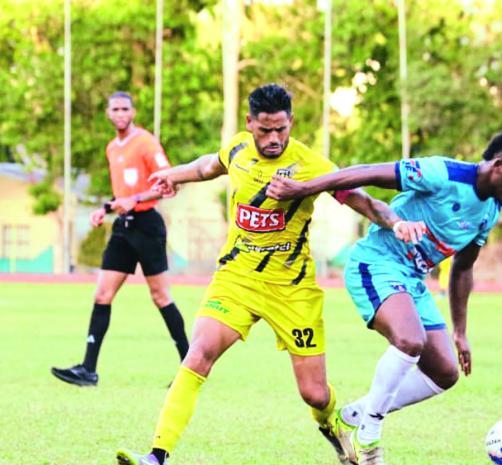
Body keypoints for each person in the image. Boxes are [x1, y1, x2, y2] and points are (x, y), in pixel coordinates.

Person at [115, 84, 419, 465]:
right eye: (264, 130)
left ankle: (334, 423)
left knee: (314, 394)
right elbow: (208, 166)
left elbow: (364, 201)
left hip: (292, 290)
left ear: (291, 122)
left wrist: (396, 223)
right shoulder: (239, 149)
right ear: (249, 123)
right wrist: (172, 175)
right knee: (199, 353)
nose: (273, 138)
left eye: (281, 129)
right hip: (237, 278)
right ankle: (156, 456)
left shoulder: (310, 165)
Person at [266, 129, 502, 464]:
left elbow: (463, 268)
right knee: (410, 340)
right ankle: (367, 438)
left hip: (411, 280)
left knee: (444, 372)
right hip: (377, 263)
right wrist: (304, 188)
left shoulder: (490, 211)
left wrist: (460, 331)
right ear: (498, 165)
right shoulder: (442, 173)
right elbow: (368, 172)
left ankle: (351, 418)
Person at [51, 91, 190, 387]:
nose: (120, 114)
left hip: (148, 225)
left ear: (133, 112)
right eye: (115, 109)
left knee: (161, 297)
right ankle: (88, 370)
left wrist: (136, 199)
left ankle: (190, 368)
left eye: (125, 108)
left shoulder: (146, 143)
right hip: (123, 228)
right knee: (102, 295)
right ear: (108, 113)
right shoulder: (112, 148)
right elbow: (121, 195)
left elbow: (168, 184)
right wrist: (104, 209)